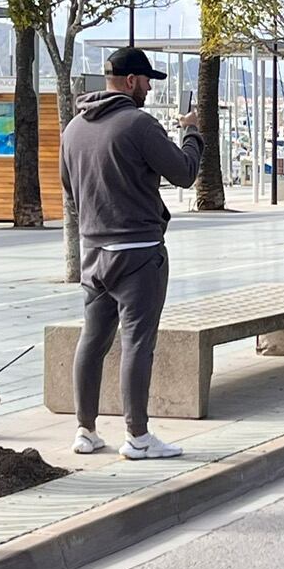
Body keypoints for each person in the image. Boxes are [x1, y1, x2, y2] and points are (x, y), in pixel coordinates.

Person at [61, 46, 203, 459]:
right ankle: (138, 437)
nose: (148, 89)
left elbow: (69, 189)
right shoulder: (139, 124)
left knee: (92, 341)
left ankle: (85, 431)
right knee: (138, 342)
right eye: (146, 81)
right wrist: (192, 133)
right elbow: (185, 173)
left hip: (94, 252)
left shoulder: (73, 129)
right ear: (129, 81)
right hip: (139, 253)